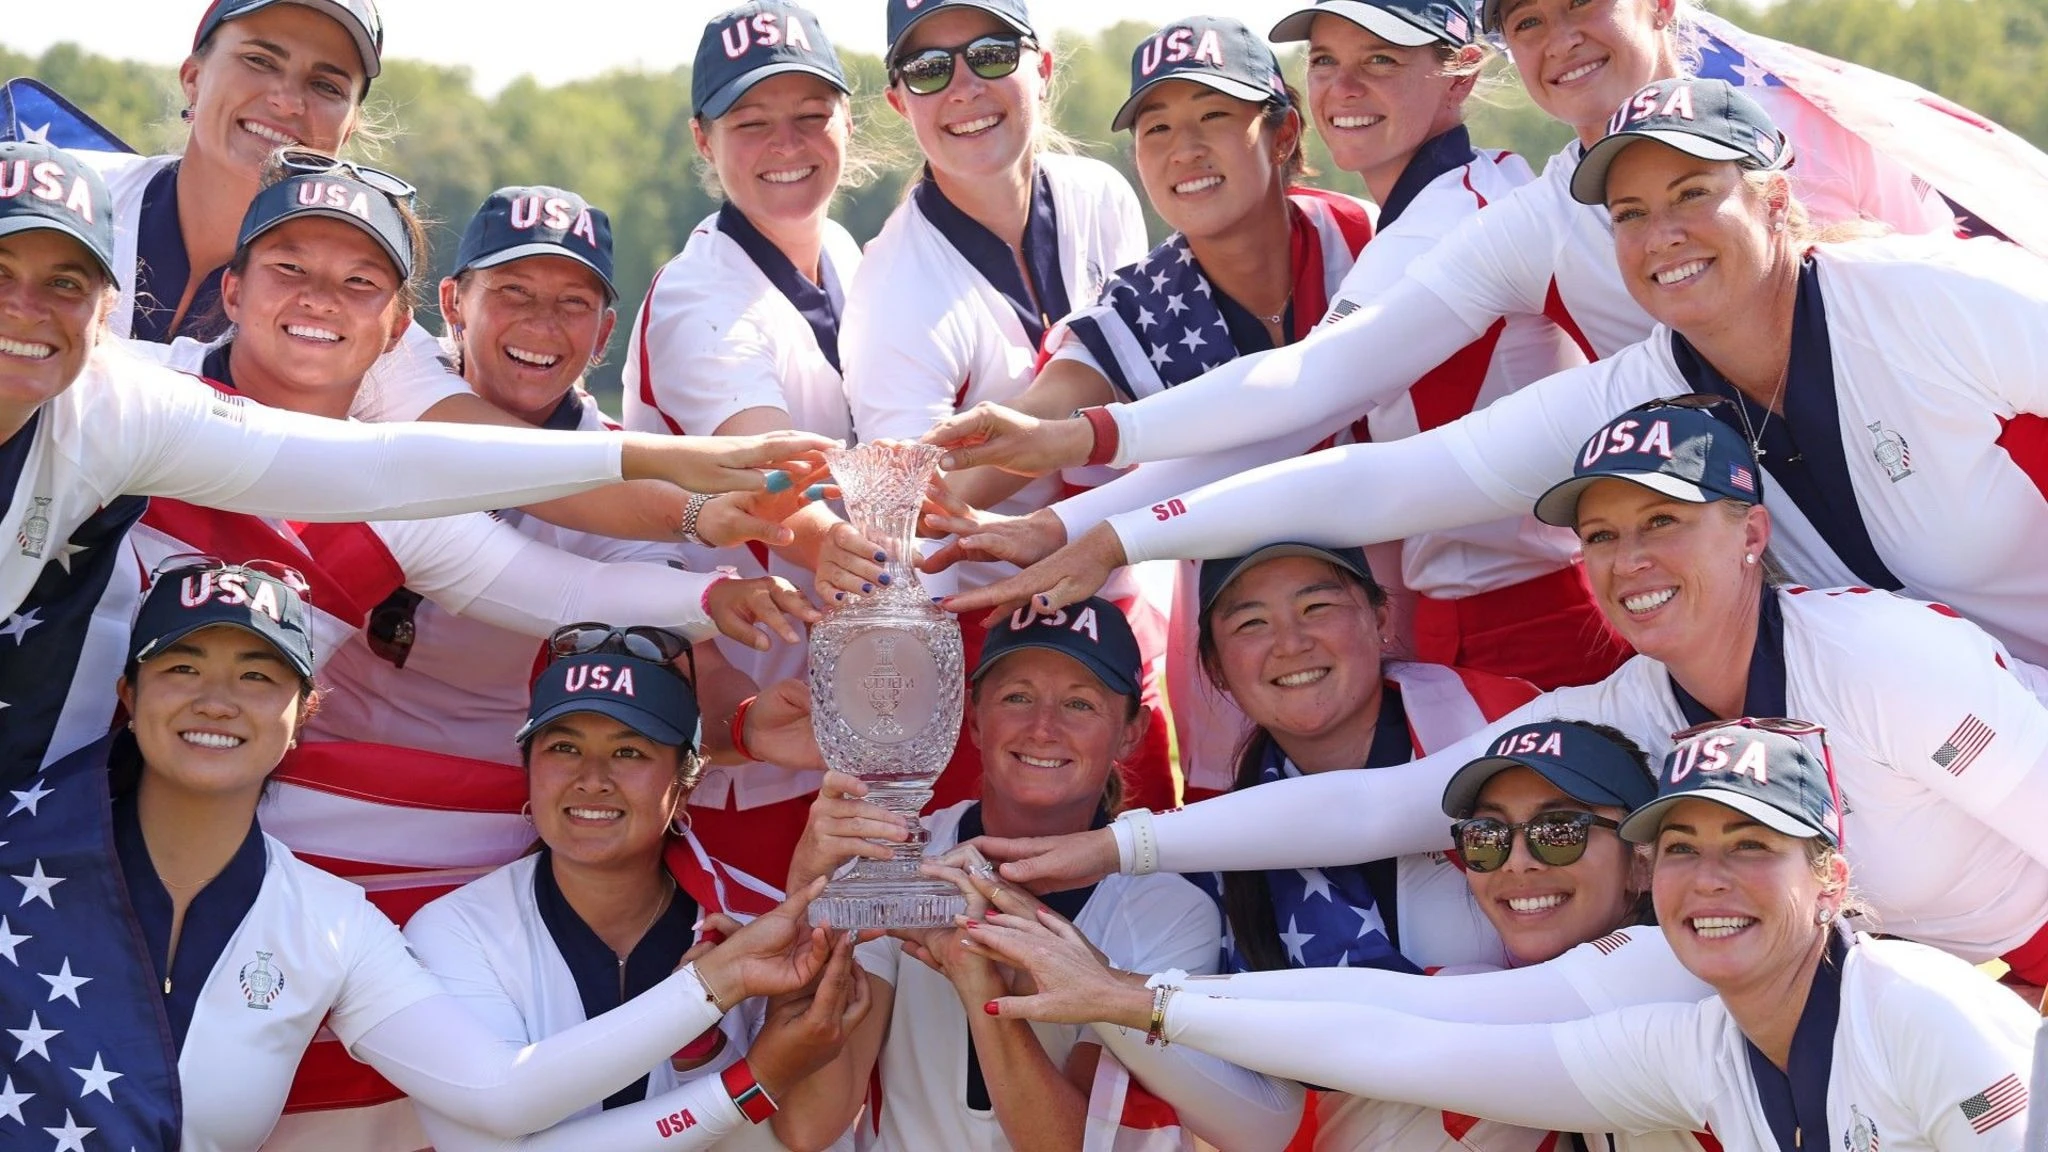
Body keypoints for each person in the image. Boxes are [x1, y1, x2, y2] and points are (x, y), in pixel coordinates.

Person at [938, 77, 2048, 675]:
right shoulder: (1637, 393)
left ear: (1778, 203)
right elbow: (1377, 478)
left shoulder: (1925, 297)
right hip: (1946, 755)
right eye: (1626, 213)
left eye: (1690, 197)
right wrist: (1111, 529)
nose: (1658, 235)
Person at [973, 405, 2048, 997]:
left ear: (1750, 534)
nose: (1629, 560)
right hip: (1893, 1003)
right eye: (1602, 535)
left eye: (1663, 523)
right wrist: (1117, 851)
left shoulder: (1883, 659)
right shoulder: (1631, 707)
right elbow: (1378, 806)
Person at [0, 140, 830, 785]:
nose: (319, 299)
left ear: (399, 328)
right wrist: (681, 473)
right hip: (48, 770)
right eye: (289, 269)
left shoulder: (400, 499)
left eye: (359, 282)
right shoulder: (134, 389)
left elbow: (560, 583)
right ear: (233, 290)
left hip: (125, 811)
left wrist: (719, 589)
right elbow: (394, 464)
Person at [0, 558, 842, 1151]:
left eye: (259, 675)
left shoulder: (334, 927)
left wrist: (723, 994)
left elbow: (502, 1094)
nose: (217, 699)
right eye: (183, 666)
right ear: (128, 694)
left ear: (308, 711)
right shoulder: (16, 856)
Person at [971, 722, 2041, 1150]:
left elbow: (1414, 1026)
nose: (1706, 881)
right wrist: (1127, 999)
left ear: (1830, 878)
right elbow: (1398, 1030)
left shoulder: (1912, 1011)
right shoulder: (1690, 1045)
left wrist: (1132, 989)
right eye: (1683, 847)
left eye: (1748, 848)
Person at [291, 180, 815, 762]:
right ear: (451, 303)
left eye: (574, 303)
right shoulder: (385, 362)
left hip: (476, 800)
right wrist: (698, 511)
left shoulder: (626, 478)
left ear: (604, 335)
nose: (542, 326)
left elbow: (683, 659)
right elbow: (480, 447)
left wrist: (744, 726)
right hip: (298, 757)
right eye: (513, 292)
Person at [1071, 541, 1543, 1151]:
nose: (1290, 643)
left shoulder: (1506, 729)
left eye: (1316, 607)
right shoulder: (1206, 860)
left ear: (1379, 618)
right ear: (1214, 668)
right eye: (1251, 623)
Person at [769, 598, 1223, 1151]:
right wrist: (808, 905)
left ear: (1132, 732)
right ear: (975, 718)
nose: (1042, 728)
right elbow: (807, 1124)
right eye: (1017, 697)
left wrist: (976, 978)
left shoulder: (1171, 908)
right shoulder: (894, 854)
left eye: (1079, 704)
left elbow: (1071, 1145)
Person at [405, 631, 868, 1150]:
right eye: (564, 747)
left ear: (687, 779)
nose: (593, 779)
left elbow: (808, 1136)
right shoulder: (457, 930)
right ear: (528, 768)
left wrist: (709, 1054)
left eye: (629, 751)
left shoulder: (763, 920)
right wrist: (742, 1070)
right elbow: (492, 1141)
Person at [621, 0, 868, 881]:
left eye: (810, 116)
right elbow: (774, 474)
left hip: (850, 714)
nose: (786, 146)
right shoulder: (701, 296)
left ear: (850, 118)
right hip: (750, 735)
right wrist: (845, 538)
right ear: (702, 139)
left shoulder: (844, 251)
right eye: (750, 123)